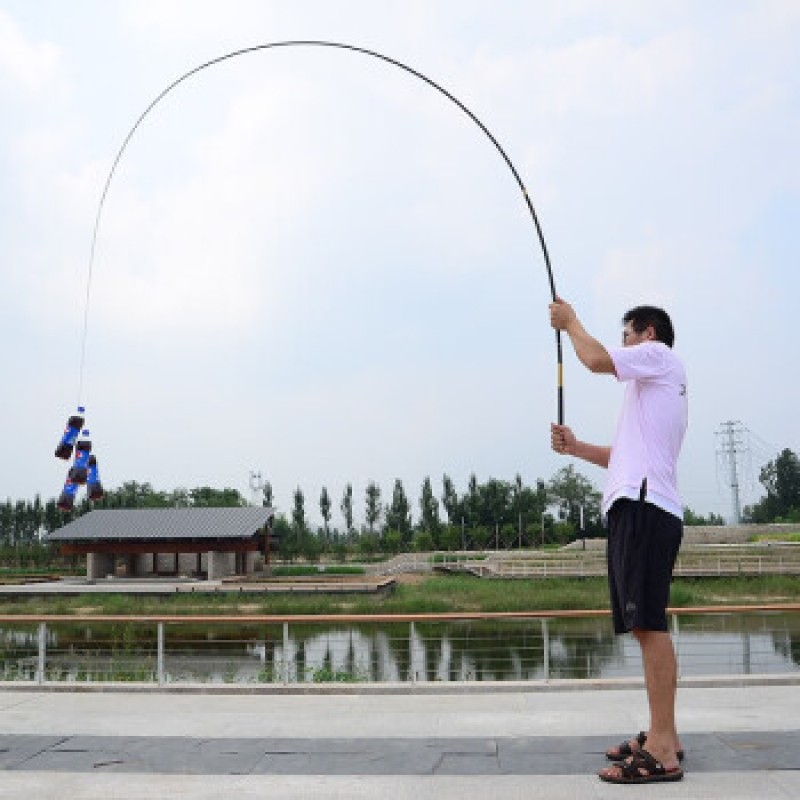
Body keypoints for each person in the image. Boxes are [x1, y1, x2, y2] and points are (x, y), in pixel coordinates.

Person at [549, 298, 688, 785]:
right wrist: (576, 446)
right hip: (638, 505)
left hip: (645, 508)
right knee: (644, 624)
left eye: (626, 335)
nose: (622, 344)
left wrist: (570, 323)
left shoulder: (659, 357)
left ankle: (664, 748)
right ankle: (660, 733)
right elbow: (621, 456)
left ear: (647, 334)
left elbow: (593, 359)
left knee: (648, 625)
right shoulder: (650, 389)